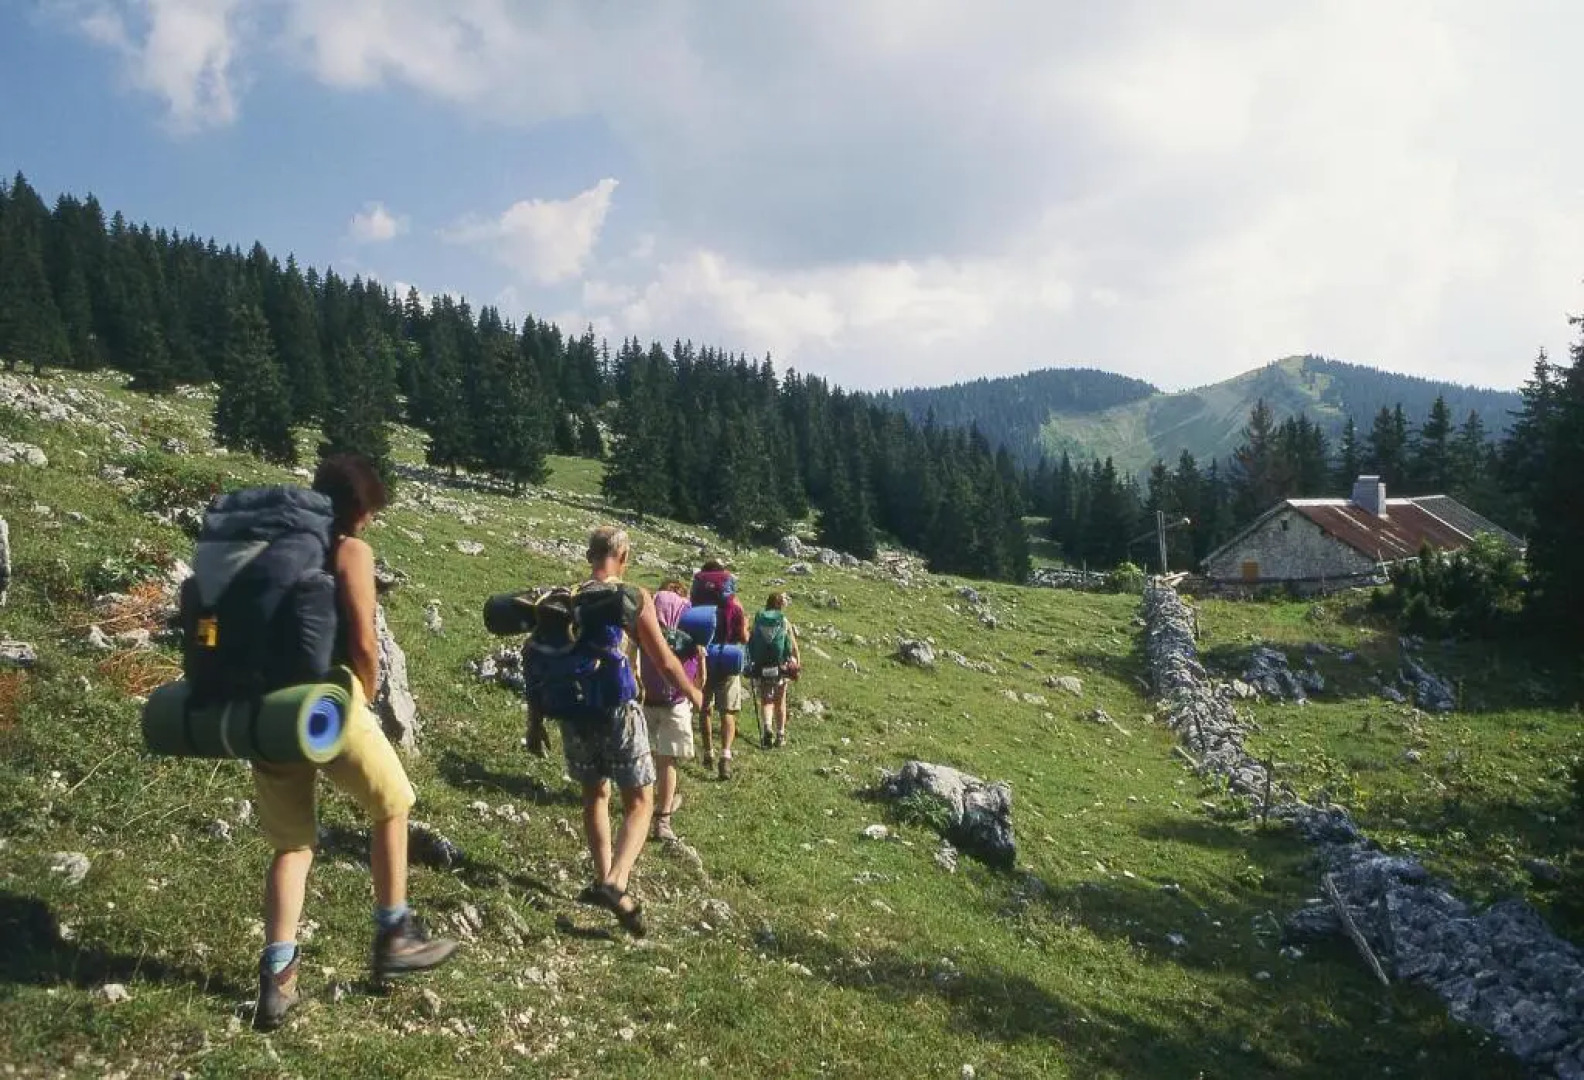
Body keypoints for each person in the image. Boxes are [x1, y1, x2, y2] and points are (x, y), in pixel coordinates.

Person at [252, 454, 458, 1032]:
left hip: (268, 712)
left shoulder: (278, 549)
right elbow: (364, 639)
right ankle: (393, 932)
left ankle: (279, 976)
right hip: (327, 705)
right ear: (361, 509)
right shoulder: (350, 551)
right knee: (393, 802)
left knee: (292, 845)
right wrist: (362, 694)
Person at [560, 528, 703, 934]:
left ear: (590, 555)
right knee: (641, 801)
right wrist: (691, 691)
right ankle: (616, 881)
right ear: (622, 555)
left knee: (594, 794)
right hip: (617, 708)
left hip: (575, 708)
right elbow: (664, 658)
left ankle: (600, 875)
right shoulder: (634, 595)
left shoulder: (569, 596)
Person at [640, 580, 705, 843]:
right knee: (668, 760)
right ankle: (663, 820)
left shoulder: (649, 612)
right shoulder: (690, 616)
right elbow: (698, 670)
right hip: (677, 700)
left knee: (642, 756)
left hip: (646, 697)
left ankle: (639, 809)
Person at [696, 559, 748, 780]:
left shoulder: (698, 603)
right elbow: (743, 637)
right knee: (728, 711)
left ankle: (708, 752)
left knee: (705, 707)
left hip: (704, 659)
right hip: (727, 658)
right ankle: (725, 756)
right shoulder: (734, 605)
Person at [752, 592, 802, 748]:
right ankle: (780, 735)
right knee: (780, 700)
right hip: (780, 665)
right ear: (780, 605)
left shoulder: (759, 619)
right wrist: (797, 665)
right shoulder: (783, 621)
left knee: (766, 699)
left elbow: (751, 640)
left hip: (762, 664)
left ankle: (767, 727)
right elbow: (793, 646)